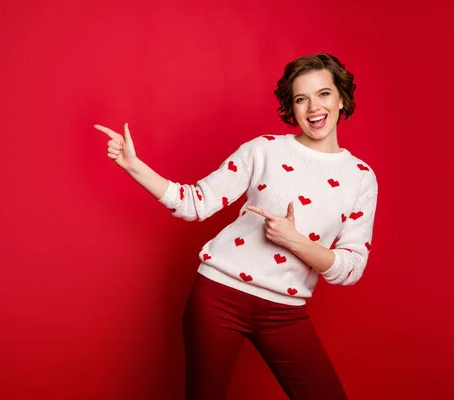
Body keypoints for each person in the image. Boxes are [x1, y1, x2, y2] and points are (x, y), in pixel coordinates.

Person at [94, 52, 377, 400]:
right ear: (291, 106)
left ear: (341, 98)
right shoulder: (263, 151)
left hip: (285, 314)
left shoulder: (360, 178)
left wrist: (294, 241)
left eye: (323, 94)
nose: (313, 108)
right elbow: (194, 203)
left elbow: (351, 267)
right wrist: (132, 165)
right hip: (219, 298)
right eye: (301, 98)